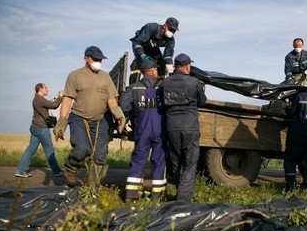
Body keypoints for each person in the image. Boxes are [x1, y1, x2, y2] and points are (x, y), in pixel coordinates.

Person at [53, 46, 126, 187]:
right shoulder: (75, 75)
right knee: (82, 148)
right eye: (95, 59)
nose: (98, 62)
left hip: (100, 120)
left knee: (100, 155)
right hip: (79, 118)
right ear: (85, 58)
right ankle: (71, 169)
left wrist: (119, 115)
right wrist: (62, 120)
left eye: (100, 60)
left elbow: (111, 99)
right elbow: (67, 99)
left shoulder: (106, 77)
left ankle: (91, 188)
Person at [160, 53, 207, 203]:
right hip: (189, 126)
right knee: (189, 162)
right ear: (187, 66)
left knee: (175, 159)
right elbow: (202, 101)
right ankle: (183, 200)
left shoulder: (165, 83)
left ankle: (176, 187)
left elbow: (160, 102)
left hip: (171, 126)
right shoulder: (194, 82)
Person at [120, 59, 166, 202]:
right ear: (152, 71)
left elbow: (123, 105)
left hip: (142, 129)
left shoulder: (134, 88)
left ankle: (131, 195)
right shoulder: (163, 87)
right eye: (156, 70)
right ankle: (158, 196)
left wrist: (129, 117)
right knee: (158, 160)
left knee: (138, 159)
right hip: (160, 129)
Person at [16, 83, 64, 177]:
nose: (48, 89)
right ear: (40, 89)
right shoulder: (39, 99)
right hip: (42, 129)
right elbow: (53, 105)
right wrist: (60, 96)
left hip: (35, 128)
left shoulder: (37, 99)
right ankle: (57, 171)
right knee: (49, 150)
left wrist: (57, 97)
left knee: (30, 150)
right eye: (46, 88)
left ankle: (20, 171)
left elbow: (49, 104)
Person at [129, 17, 179, 84]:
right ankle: (133, 86)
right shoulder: (152, 27)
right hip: (141, 46)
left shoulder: (171, 40)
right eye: (170, 29)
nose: (171, 32)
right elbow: (137, 42)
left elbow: (168, 54)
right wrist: (142, 55)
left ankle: (158, 87)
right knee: (138, 64)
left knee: (162, 64)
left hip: (153, 48)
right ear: (165, 25)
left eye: (174, 30)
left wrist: (170, 66)